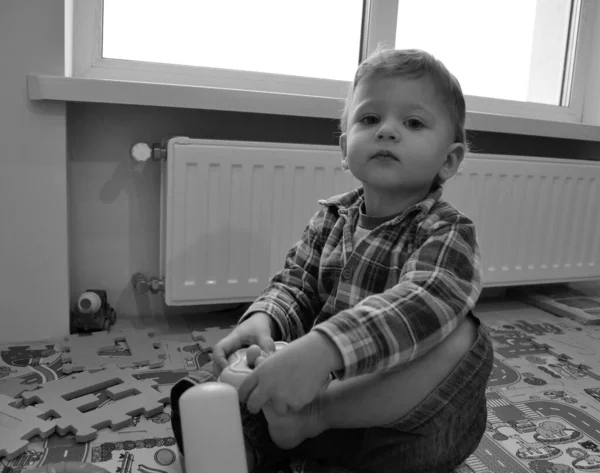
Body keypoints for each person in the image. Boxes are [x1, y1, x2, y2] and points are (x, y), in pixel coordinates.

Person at [170, 48, 494, 473]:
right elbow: (296, 284)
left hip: (398, 423)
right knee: (203, 393)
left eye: (413, 122)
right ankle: (248, 450)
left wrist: (325, 350)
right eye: (370, 119)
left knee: (466, 334)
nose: (387, 131)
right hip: (307, 397)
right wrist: (264, 320)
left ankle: (311, 423)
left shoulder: (446, 230)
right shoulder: (331, 218)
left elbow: (426, 299)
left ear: (449, 160)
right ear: (345, 148)